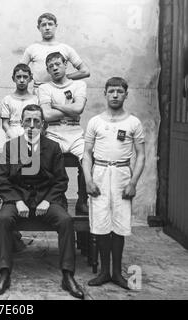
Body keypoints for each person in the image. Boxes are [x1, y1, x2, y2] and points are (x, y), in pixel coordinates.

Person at [0, 104, 84, 299]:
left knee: (66, 221)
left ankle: (68, 275)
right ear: (21, 123)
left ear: (43, 125)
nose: (31, 125)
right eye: (27, 121)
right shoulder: (11, 146)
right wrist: (16, 201)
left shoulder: (52, 147)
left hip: (46, 200)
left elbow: (61, 181)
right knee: (3, 220)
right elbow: (2, 180)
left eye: (36, 121)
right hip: (18, 199)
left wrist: (48, 201)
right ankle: (4, 273)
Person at [83, 77, 145, 289]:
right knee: (101, 222)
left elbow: (141, 155)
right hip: (100, 172)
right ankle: (103, 272)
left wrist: (133, 183)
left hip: (121, 174)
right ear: (105, 94)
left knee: (119, 222)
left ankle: (117, 273)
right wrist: (88, 180)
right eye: (111, 91)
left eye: (120, 91)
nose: (115, 95)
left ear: (126, 94)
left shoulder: (133, 122)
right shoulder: (95, 122)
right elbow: (86, 154)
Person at [39, 51, 89, 214]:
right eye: (50, 66)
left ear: (65, 64)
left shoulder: (78, 85)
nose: (54, 68)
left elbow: (79, 109)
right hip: (54, 132)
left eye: (58, 64)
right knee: (45, 159)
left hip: (75, 133)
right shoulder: (45, 88)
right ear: (48, 70)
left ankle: (83, 200)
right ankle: (58, 198)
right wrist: (71, 109)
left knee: (88, 157)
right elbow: (46, 115)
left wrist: (57, 106)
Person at [20, 12, 90, 92]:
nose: (47, 28)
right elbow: (19, 71)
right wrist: (34, 77)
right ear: (38, 27)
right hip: (39, 91)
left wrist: (63, 78)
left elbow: (85, 71)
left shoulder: (65, 48)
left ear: (56, 26)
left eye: (50, 24)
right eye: (43, 25)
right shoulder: (32, 49)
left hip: (60, 91)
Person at [1, 64, 39, 140]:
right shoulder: (7, 99)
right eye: (18, 77)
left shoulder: (36, 99)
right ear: (13, 78)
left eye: (25, 77)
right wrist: (13, 137)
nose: (22, 80)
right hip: (13, 133)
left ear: (30, 78)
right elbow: (5, 123)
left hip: (31, 132)